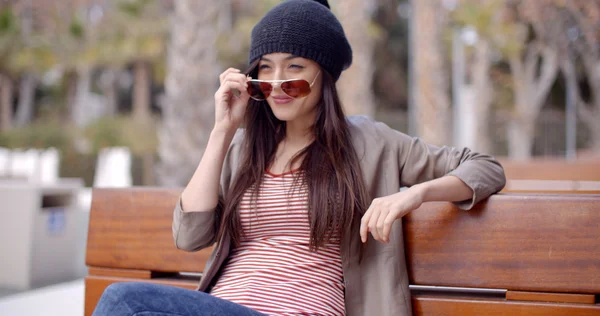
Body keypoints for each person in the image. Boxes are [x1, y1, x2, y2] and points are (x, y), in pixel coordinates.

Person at [92, 0, 506, 315]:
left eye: (292, 69)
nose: (276, 85)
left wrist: (413, 194)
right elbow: (190, 236)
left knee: (123, 301)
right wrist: (223, 131)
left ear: (323, 75)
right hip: (228, 305)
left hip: (301, 308)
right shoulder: (245, 148)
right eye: (265, 71)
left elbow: (485, 166)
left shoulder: (370, 143)